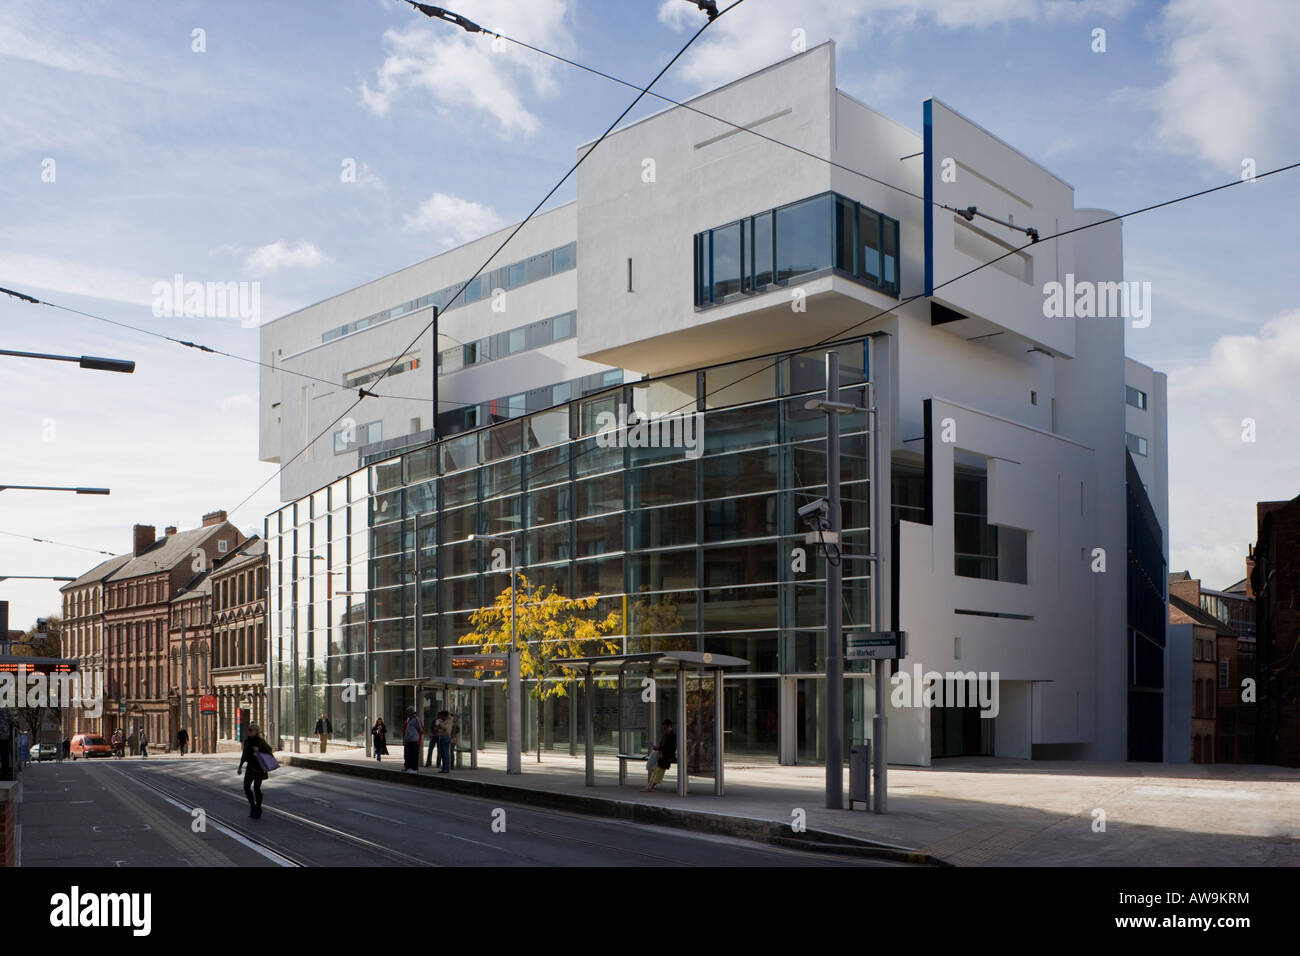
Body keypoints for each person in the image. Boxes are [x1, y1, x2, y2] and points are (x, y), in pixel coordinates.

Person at [236, 722, 275, 818]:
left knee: (257, 789)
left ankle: (258, 808)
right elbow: (244, 754)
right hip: (250, 768)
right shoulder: (247, 741)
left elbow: (269, 750)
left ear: (256, 732)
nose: (249, 731)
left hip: (259, 768)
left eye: (251, 730)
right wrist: (240, 766)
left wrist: (259, 749)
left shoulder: (260, 741)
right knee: (246, 787)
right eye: (248, 730)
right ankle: (252, 806)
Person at [642, 718, 676, 792]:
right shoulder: (666, 735)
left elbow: (670, 747)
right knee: (655, 770)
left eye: (665, 727)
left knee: (659, 771)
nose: (664, 729)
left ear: (669, 726)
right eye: (663, 727)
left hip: (666, 756)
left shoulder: (672, 735)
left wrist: (659, 748)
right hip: (661, 755)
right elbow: (663, 745)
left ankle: (651, 786)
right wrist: (658, 748)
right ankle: (650, 785)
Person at [401, 706, 423, 774]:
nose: (407, 713)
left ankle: (414, 768)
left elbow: (421, 729)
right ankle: (409, 767)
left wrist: (415, 735)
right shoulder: (408, 719)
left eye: (408, 712)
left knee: (414, 754)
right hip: (408, 740)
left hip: (414, 739)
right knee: (409, 754)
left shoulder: (416, 719)